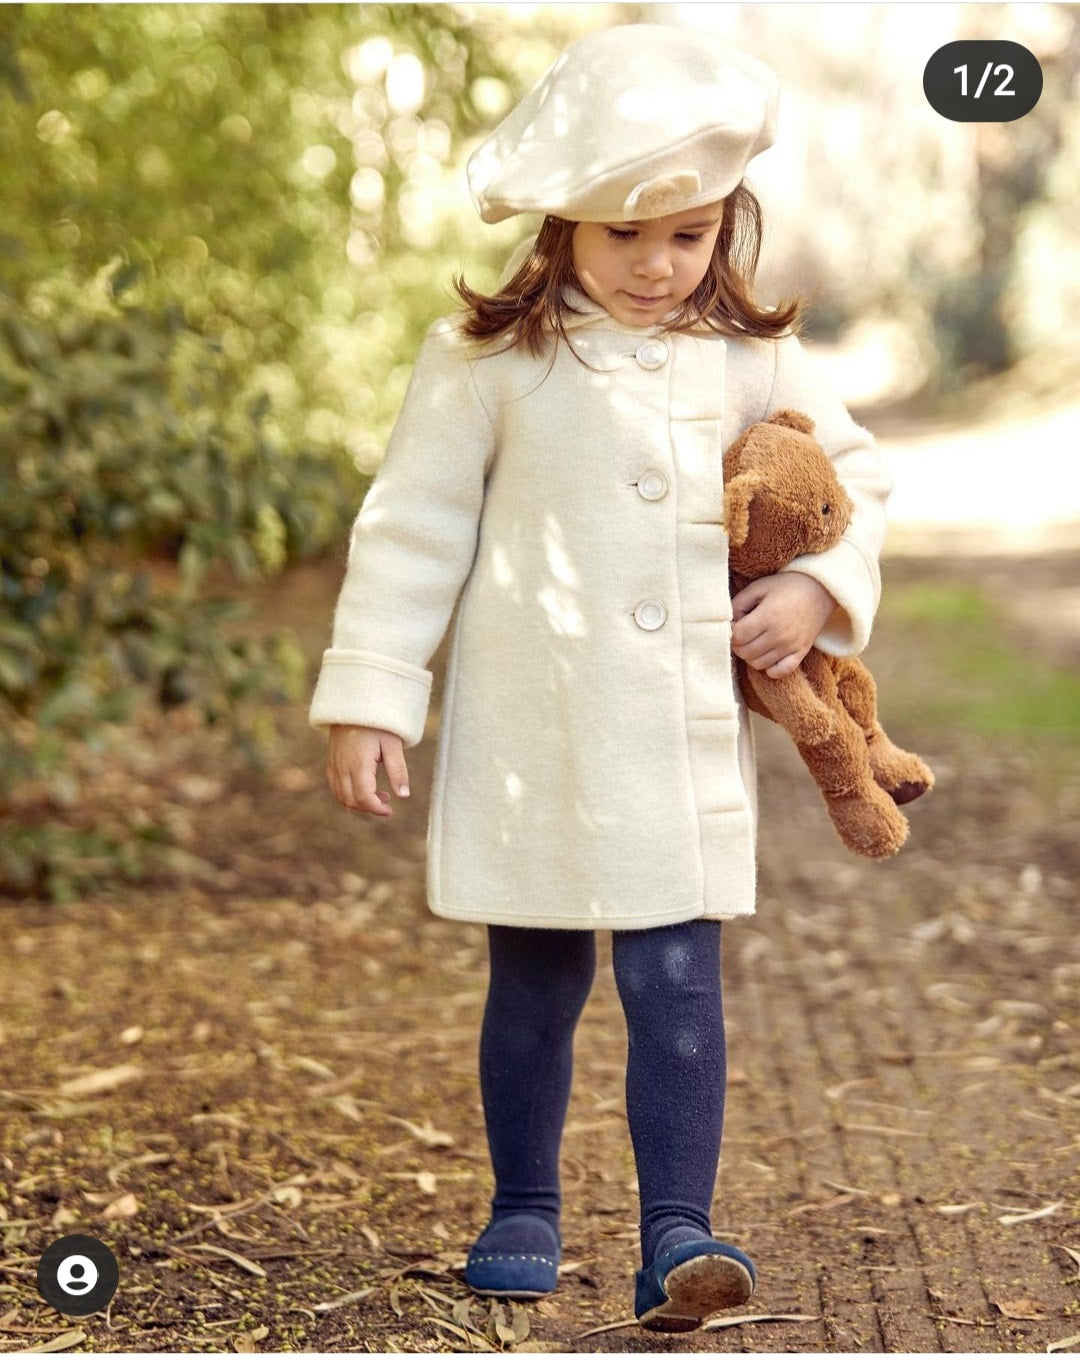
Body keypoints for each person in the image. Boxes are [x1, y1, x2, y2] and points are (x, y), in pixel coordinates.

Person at [310, 23, 892, 1333]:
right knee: (535, 976)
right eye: (625, 236)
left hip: (679, 738)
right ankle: (524, 1202)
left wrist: (813, 591)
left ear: (723, 230)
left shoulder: (753, 357)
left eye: (686, 236)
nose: (657, 265)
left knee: (677, 978)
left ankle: (679, 1233)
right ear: (563, 227)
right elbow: (413, 524)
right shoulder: (488, 363)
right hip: (539, 729)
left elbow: (856, 486)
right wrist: (370, 692)